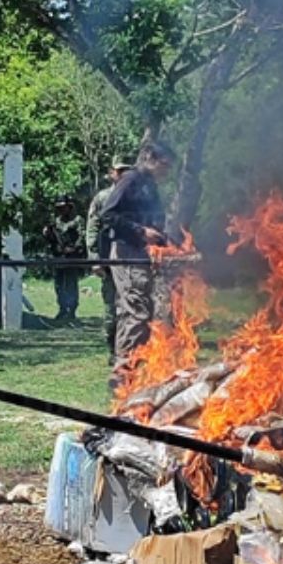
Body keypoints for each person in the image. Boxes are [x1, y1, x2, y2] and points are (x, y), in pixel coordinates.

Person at [92, 144, 175, 388]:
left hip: (143, 254)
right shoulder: (130, 179)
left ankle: (137, 369)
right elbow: (108, 215)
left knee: (146, 311)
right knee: (134, 310)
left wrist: (171, 243)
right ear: (150, 158)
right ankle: (121, 373)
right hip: (127, 252)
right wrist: (140, 231)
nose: (166, 172)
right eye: (164, 165)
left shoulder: (151, 187)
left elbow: (156, 225)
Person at [84, 158, 135, 362]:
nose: (123, 174)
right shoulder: (103, 197)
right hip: (109, 260)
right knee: (111, 308)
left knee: (132, 307)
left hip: (133, 260)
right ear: (111, 172)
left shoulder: (138, 197)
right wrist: (94, 258)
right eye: (120, 170)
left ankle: (130, 350)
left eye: (127, 170)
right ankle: (113, 351)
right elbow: (92, 227)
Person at [43, 195, 85, 322]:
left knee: (71, 283)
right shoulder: (56, 222)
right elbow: (50, 240)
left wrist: (74, 248)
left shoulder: (77, 220)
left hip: (72, 256)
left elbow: (82, 236)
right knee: (59, 284)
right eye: (59, 208)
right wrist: (47, 233)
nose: (62, 210)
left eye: (64, 207)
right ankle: (62, 308)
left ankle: (71, 310)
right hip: (59, 256)